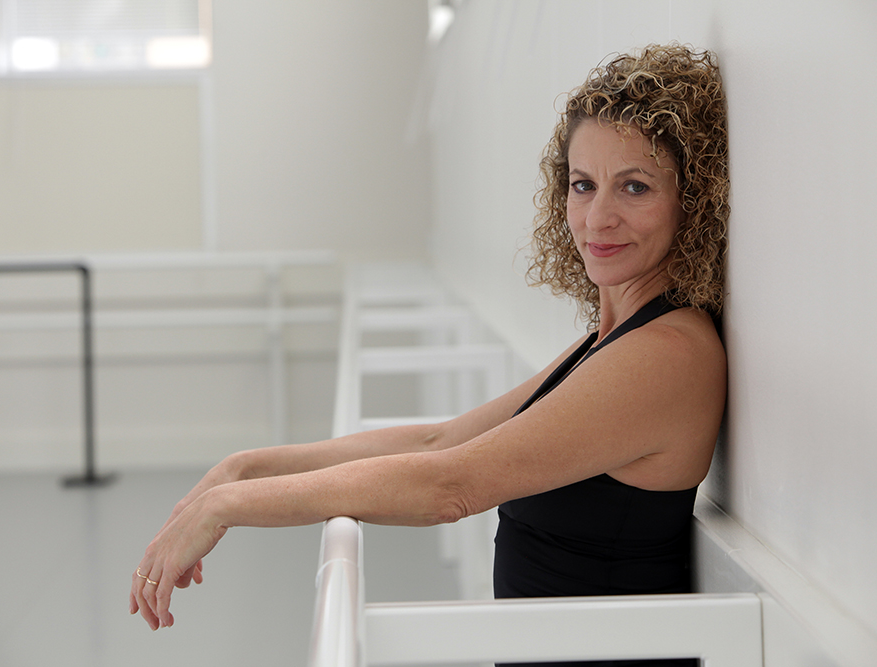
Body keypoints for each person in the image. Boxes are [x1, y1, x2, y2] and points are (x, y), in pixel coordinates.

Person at [130, 43, 729, 667]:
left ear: (693, 201)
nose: (598, 216)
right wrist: (244, 468)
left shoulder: (668, 353)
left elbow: (449, 486)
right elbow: (439, 443)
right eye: (583, 185)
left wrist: (229, 508)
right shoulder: (612, 341)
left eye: (634, 187)